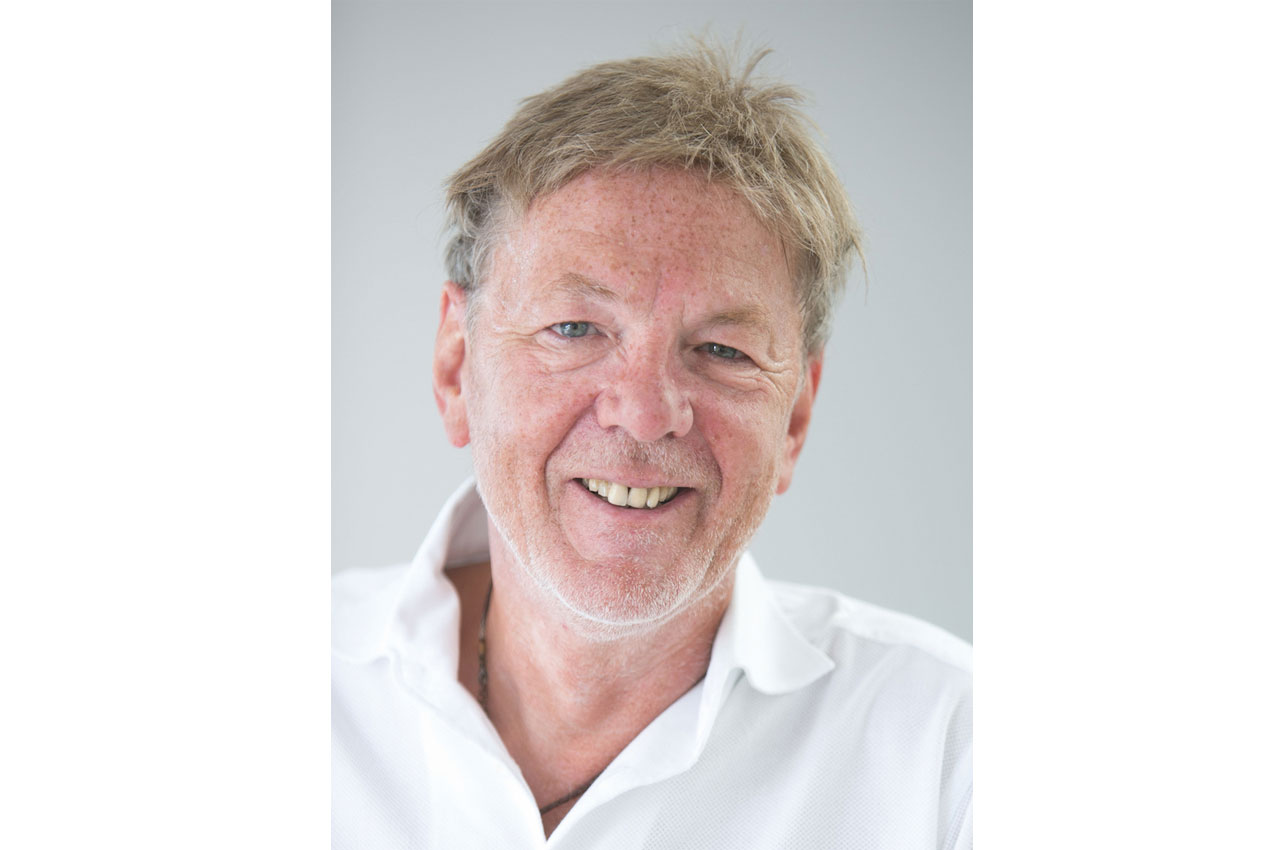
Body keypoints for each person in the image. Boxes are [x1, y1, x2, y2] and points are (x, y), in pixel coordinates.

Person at [333, 42, 972, 849]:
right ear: (457, 366)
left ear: (795, 419)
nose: (642, 414)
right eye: (575, 329)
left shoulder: (952, 752)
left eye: (723, 351)